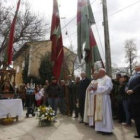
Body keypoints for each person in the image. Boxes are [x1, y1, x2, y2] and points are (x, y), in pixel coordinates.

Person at [92, 68, 113, 134]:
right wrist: (94, 88)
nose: (99, 74)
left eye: (100, 72)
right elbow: (96, 89)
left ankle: (107, 130)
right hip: (99, 98)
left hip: (104, 98)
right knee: (99, 113)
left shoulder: (108, 79)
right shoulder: (99, 80)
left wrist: (98, 87)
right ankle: (100, 128)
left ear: (103, 72)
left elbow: (108, 88)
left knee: (105, 113)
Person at [126, 64, 140, 138]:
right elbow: (127, 85)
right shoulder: (132, 76)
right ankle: (139, 133)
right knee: (136, 117)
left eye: (137, 65)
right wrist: (127, 90)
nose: (135, 66)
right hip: (132, 99)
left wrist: (133, 90)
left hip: (138, 98)